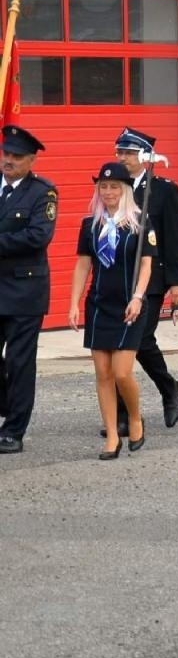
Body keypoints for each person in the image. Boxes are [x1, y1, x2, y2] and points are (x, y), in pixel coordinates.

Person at [69, 161, 155, 459]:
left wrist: (139, 297)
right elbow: (82, 265)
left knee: (121, 373)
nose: (108, 191)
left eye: (114, 186)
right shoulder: (89, 224)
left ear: (125, 190)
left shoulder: (140, 222)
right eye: (103, 186)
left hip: (130, 306)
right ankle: (112, 437)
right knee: (102, 373)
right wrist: (74, 303)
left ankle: (134, 417)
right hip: (98, 305)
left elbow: (146, 263)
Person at [112, 127, 178, 432]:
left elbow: (177, 237)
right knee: (116, 344)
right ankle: (119, 415)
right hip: (119, 279)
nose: (123, 158)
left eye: (129, 153)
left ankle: (168, 388)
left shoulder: (164, 190)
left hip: (152, 280)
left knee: (141, 340)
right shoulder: (115, 188)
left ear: (144, 156)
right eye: (120, 152)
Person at [0, 125, 56, 455]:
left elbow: (38, 236)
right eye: (6, 153)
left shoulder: (42, 193)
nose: (8, 160)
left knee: (20, 362)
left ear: (31, 160)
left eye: (16, 156)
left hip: (24, 290)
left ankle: (14, 429)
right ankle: (8, 403)